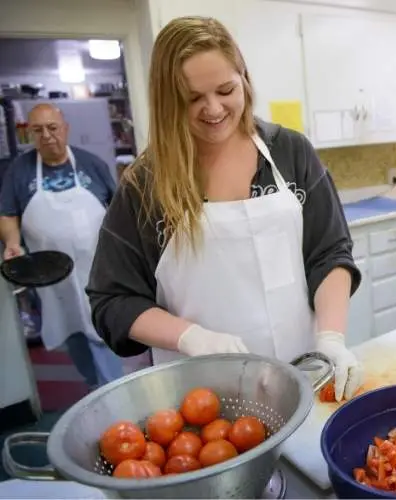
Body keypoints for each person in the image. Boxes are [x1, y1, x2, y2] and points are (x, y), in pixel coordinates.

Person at [86, 16, 364, 402]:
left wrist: (331, 337)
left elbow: (330, 252)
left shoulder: (289, 153)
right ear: (168, 102)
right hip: (201, 398)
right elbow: (112, 300)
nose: (213, 109)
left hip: (302, 377)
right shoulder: (145, 184)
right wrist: (190, 336)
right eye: (192, 98)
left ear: (244, 80)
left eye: (225, 89)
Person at [0, 104, 124, 390]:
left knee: (102, 333)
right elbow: (7, 213)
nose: (46, 135)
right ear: (30, 134)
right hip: (51, 278)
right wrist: (12, 242)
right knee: (73, 336)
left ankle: (114, 395)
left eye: (52, 128)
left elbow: (116, 209)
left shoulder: (92, 164)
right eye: (38, 130)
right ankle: (96, 387)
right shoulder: (19, 171)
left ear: (65, 128)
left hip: (97, 271)